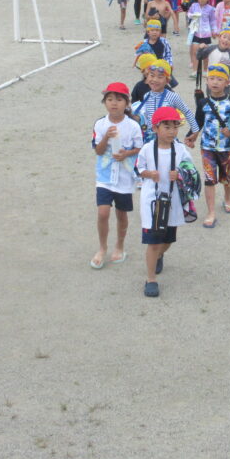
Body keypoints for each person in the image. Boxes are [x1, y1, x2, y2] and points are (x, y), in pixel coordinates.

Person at [136, 106, 194, 297]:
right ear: (155, 128)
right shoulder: (147, 149)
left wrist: (180, 174)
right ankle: (151, 279)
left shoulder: (181, 149)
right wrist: (148, 174)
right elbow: (138, 169)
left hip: (173, 200)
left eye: (175, 127)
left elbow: (191, 171)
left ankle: (160, 254)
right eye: (167, 127)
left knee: (168, 239)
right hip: (151, 201)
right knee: (153, 242)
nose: (172, 131)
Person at [90, 82, 143, 269]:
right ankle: (102, 248)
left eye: (119, 100)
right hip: (104, 177)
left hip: (124, 177)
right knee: (103, 212)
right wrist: (106, 137)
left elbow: (139, 148)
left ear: (127, 103)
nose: (114, 103)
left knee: (121, 213)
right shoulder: (100, 124)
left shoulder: (133, 125)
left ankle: (119, 246)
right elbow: (98, 151)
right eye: (110, 99)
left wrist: (126, 154)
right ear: (105, 102)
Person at [194, 64, 230, 228]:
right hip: (207, 147)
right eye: (211, 78)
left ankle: (227, 198)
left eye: (219, 79)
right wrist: (192, 136)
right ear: (207, 81)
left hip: (226, 147)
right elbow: (198, 121)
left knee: (227, 177)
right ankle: (211, 212)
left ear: (227, 82)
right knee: (209, 179)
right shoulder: (203, 102)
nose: (215, 82)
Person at [132, 59, 200, 147]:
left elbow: (187, 112)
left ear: (167, 81)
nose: (155, 79)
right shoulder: (146, 96)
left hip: (167, 139)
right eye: (152, 75)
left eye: (160, 77)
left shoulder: (172, 96)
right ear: (147, 77)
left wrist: (195, 131)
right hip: (149, 139)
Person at [186, 0, 217, 76]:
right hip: (195, 32)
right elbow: (188, 14)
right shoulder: (194, 6)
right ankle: (195, 71)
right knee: (195, 52)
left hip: (206, 34)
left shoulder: (210, 9)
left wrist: (214, 31)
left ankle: (205, 70)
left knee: (206, 53)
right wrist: (193, 15)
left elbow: (213, 21)